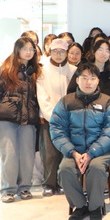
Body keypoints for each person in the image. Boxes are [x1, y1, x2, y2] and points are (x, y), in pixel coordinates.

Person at [50, 63, 110, 220]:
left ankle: (95, 207)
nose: (88, 82)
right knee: (65, 170)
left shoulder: (108, 102)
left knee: (96, 168)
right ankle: (80, 206)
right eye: (84, 78)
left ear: (98, 81)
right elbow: (57, 129)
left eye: (92, 78)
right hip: (74, 151)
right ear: (77, 80)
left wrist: (91, 153)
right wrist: (73, 152)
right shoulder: (66, 102)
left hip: (101, 151)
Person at [0, 36, 41, 203]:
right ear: (17, 50)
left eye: (31, 49)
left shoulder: (35, 71)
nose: (28, 52)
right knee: (9, 154)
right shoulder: (6, 69)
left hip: (28, 120)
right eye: (25, 49)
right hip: (6, 119)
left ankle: (24, 187)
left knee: (27, 155)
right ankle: (8, 189)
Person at [36, 39, 77, 197]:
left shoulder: (73, 70)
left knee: (65, 152)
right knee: (49, 153)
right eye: (55, 51)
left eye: (62, 51)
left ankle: (62, 183)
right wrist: (52, 116)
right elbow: (42, 96)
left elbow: (75, 95)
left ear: (67, 53)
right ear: (50, 52)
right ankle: (49, 183)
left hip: (68, 119)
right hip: (48, 119)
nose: (58, 55)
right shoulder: (43, 70)